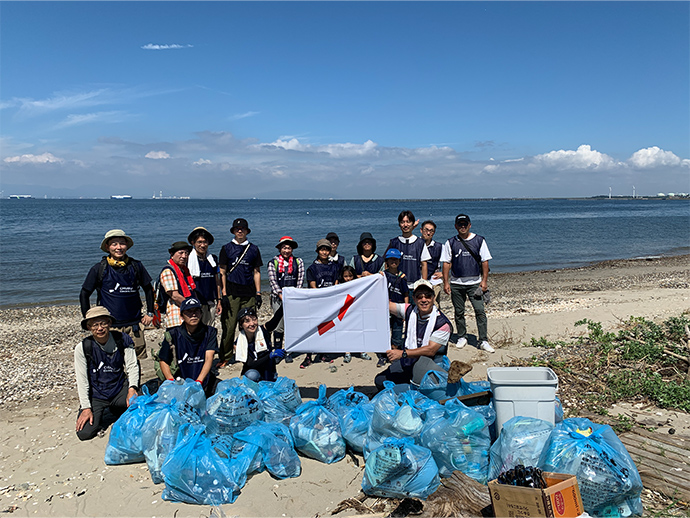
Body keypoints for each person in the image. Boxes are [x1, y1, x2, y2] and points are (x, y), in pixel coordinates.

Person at [80, 229, 154, 359]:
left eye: (122, 244)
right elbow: (84, 293)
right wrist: (89, 319)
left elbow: (148, 289)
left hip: (134, 324)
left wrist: (150, 313)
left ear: (127, 246)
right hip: (110, 325)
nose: (119, 247)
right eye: (114, 244)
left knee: (136, 361)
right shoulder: (99, 268)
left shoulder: (136, 266)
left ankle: (135, 380)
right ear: (108, 247)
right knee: (113, 359)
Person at [75, 307, 140, 441]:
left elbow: (132, 366)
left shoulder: (123, 339)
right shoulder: (83, 347)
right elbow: (82, 380)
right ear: (89, 327)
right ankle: (103, 411)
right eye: (95, 325)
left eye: (103, 323)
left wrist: (132, 388)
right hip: (97, 394)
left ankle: (116, 408)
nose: (100, 328)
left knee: (141, 409)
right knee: (84, 433)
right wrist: (86, 407)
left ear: (109, 323)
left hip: (118, 389)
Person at [374, 279, 451, 391]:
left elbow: (430, 350)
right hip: (408, 362)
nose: (424, 300)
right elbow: (385, 305)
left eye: (428, 296)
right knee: (380, 381)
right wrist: (376, 282)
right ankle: (409, 385)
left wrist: (403, 353)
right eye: (419, 296)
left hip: (429, 365)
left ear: (433, 298)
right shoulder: (409, 310)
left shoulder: (442, 323)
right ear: (414, 298)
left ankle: (414, 388)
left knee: (404, 390)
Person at [441, 213, 494, 353]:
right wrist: (446, 283)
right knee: (459, 312)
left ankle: (483, 340)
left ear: (469, 225)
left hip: (475, 284)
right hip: (456, 283)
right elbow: (446, 263)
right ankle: (462, 336)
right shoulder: (450, 242)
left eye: (465, 224)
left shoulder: (479, 240)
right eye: (460, 224)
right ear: (455, 226)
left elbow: (485, 261)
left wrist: (484, 281)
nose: (462, 227)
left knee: (480, 311)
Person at [219, 218, 263, 367]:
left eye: (243, 229)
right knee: (229, 326)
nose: (240, 231)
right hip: (232, 292)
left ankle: (251, 351)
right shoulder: (226, 248)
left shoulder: (254, 249)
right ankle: (225, 356)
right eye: (237, 229)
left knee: (250, 325)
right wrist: (223, 294)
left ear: (247, 231)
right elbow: (222, 272)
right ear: (233, 231)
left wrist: (258, 293)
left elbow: (256, 272)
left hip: (249, 292)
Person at [157, 297, 219, 397]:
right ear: (182, 316)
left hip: (203, 381)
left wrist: (199, 382)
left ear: (201, 313)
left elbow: (209, 358)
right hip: (180, 382)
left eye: (196, 311)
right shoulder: (173, 334)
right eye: (189, 312)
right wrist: (172, 382)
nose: (193, 315)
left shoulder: (210, 332)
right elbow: (163, 360)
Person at [301, 238, 341, 368]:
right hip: (317, 302)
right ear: (317, 251)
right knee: (312, 328)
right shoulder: (312, 268)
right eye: (322, 249)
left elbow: (336, 283)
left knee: (327, 327)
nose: (324, 252)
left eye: (326, 250)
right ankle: (308, 356)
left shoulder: (335, 266)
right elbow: (312, 286)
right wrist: (321, 297)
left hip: (330, 302)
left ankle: (323, 353)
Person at [267, 236, 305, 363]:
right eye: (284, 248)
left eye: (289, 248)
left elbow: (300, 279)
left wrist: (295, 294)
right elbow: (272, 281)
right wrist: (280, 294)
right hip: (278, 299)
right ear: (280, 248)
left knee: (291, 325)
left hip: (293, 298)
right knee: (279, 325)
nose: (286, 250)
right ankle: (278, 351)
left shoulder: (298, 261)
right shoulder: (273, 262)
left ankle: (289, 350)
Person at [235, 306, 286, 382]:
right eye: (247, 321)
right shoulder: (238, 343)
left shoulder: (263, 331)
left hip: (268, 371)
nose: (252, 324)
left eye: (254, 319)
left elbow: (276, 318)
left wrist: (284, 304)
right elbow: (250, 364)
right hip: (252, 373)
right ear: (241, 325)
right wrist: (270, 356)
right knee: (252, 375)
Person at [387, 210, 431, 291]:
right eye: (402, 222)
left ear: (413, 223)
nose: (405, 225)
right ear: (399, 224)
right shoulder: (394, 242)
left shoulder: (420, 243)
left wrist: (423, 283)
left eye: (408, 222)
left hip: (414, 285)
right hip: (397, 285)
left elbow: (424, 264)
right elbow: (387, 262)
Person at [379, 248, 409, 368]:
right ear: (386, 261)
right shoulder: (382, 276)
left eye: (396, 259)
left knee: (397, 333)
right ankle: (383, 355)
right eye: (391, 259)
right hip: (384, 309)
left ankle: (394, 354)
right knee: (384, 332)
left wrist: (405, 310)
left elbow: (406, 294)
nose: (393, 262)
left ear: (399, 261)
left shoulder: (402, 277)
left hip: (398, 308)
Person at [187, 227, 222, 326]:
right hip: (195, 302)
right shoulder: (188, 260)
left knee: (210, 327)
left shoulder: (213, 259)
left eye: (205, 242)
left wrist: (219, 300)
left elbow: (217, 281)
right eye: (199, 242)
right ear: (193, 243)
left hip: (210, 300)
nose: (202, 245)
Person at [159, 241, 196, 330]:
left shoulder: (184, 271)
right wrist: (193, 308)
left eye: (186, 253)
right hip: (176, 317)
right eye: (181, 253)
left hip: (186, 315)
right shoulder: (168, 271)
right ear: (172, 254)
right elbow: (174, 296)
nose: (184, 256)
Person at [339, 265, 372, 363]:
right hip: (345, 312)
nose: (348, 278)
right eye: (345, 276)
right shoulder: (340, 286)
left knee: (359, 330)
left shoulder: (358, 284)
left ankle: (362, 351)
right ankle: (347, 353)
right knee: (346, 332)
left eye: (350, 276)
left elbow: (368, 280)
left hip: (357, 311)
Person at [420, 220, 444, 308]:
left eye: (431, 231)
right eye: (426, 230)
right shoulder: (415, 244)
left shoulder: (439, 247)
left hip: (433, 282)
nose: (428, 233)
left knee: (434, 306)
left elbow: (451, 260)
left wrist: (443, 273)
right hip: (417, 281)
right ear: (421, 230)